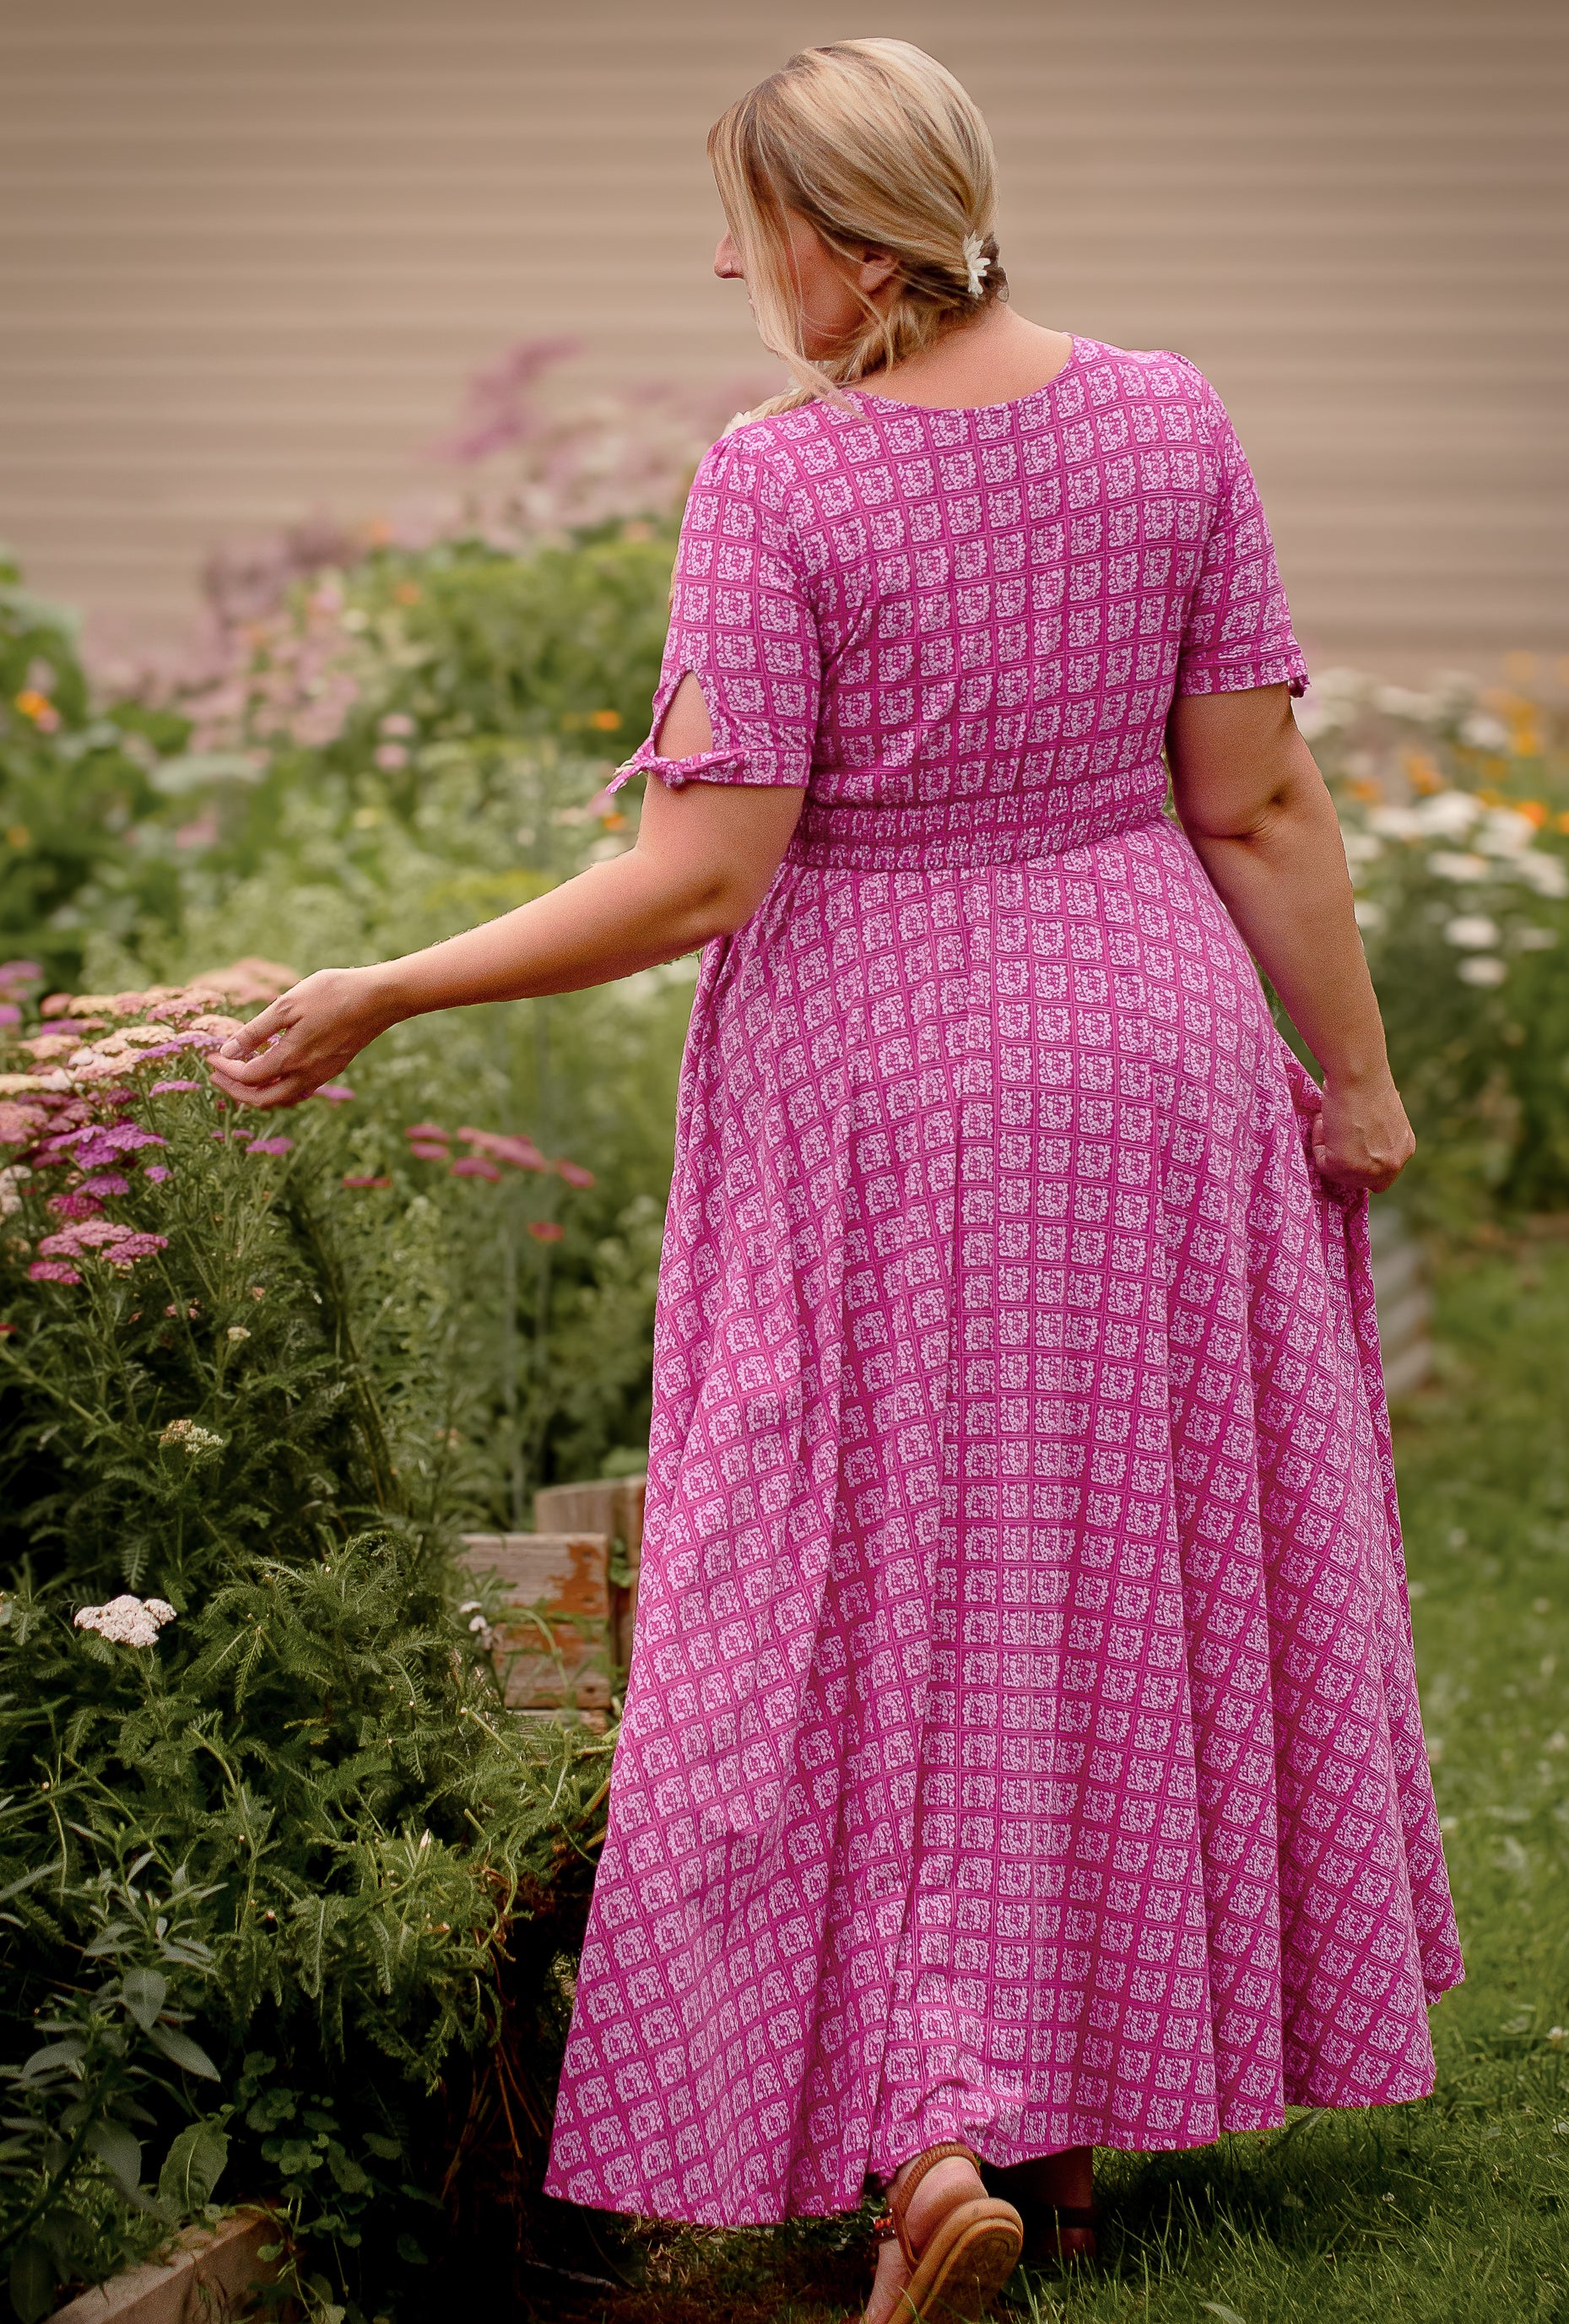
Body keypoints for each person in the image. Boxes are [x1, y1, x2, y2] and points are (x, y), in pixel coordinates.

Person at [212, 38, 1463, 2324]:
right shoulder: (1170, 417)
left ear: (853, 242)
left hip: (882, 1094)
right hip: (1151, 1059)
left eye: (749, 225)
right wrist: (1354, 1078)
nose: (727, 269)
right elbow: (1259, 799)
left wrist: (391, 984)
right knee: (1103, 1567)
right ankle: (1062, 2130)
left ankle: (930, 2144)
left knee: (841, 1593)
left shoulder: (781, 479)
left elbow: (705, 874)